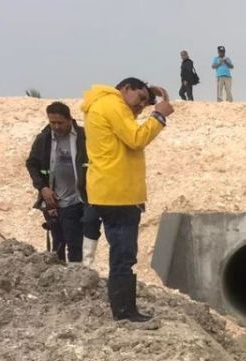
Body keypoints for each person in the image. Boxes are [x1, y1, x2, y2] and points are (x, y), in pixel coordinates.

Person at [81, 78, 174, 322]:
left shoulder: (103, 105)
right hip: (118, 194)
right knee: (123, 255)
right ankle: (125, 313)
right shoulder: (112, 105)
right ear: (125, 89)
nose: (141, 105)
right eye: (140, 98)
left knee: (122, 254)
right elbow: (136, 138)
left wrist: (148, 99)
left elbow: (126, 132)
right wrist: (159, 116)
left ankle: (124, 310)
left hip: (110, 191)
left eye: (146, 102)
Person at [25, 101, 99, 264]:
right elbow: (32, 164)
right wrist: (43, 188)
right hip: (54, 201)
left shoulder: (83, 137)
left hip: (79, 199)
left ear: (69, 119)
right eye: (53, 123)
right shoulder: (44, 139)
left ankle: (76, 277)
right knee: (58, 244)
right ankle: (59, 279)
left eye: (60, 122)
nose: (56, 127)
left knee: (75, 243)